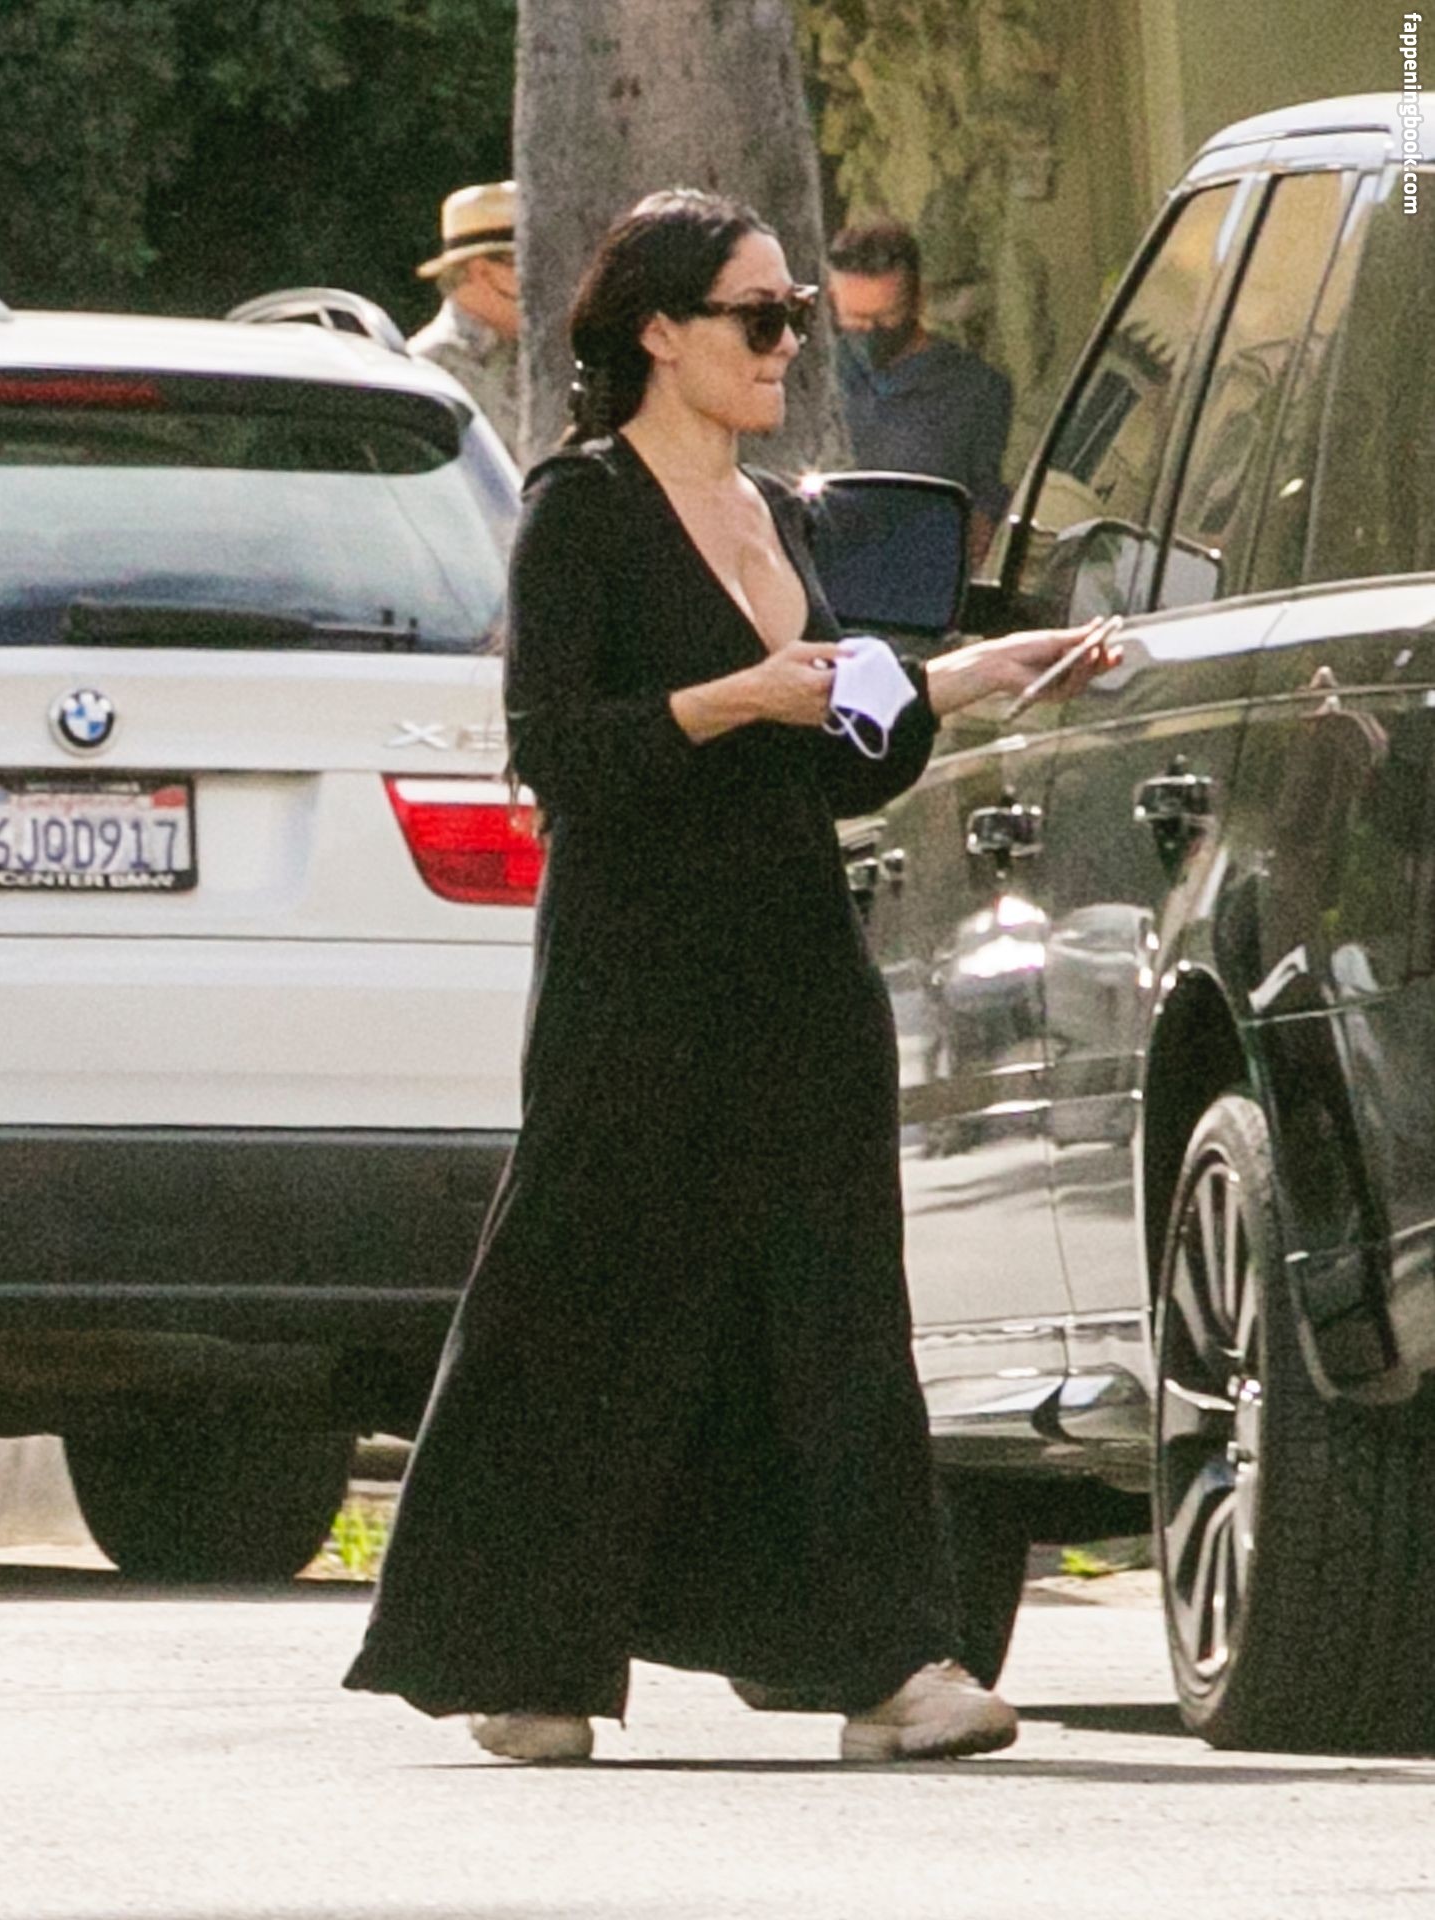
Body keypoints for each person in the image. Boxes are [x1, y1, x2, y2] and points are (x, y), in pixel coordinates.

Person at [343, 187, 1115, 1765]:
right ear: (659, 333)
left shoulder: (779, 514)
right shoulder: (582, 510)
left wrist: (955, 686)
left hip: (798, 968)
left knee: (839, 1317)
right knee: (589, 1305)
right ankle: (523, 1661)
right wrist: (736, 697)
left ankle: (894, 1670)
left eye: (795, 316)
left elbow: (833, 762)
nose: (787, 344)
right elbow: (559, 754)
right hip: (636, 978)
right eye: (760, 317)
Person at [828, 220, 1013, 566]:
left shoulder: (977, 389)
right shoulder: (816, 378)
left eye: (886, 317)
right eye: (855, 318)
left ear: (918, 301)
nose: (870, 333)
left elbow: (991, 503)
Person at [409, 179, 521, 457]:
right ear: (481, 271)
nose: (547, 278)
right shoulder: (425, 368)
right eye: (527, 264)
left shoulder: (547, 356)